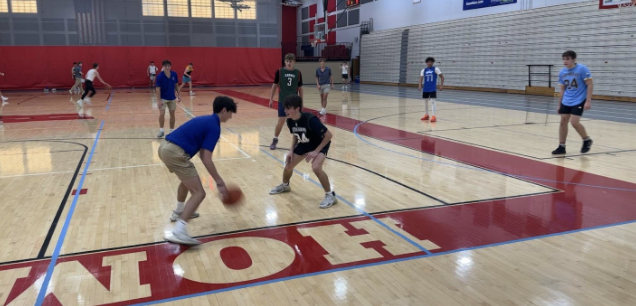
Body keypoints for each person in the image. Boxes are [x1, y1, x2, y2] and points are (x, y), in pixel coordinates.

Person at [158, 96, 237, 245]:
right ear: (224, 110)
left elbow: (202, 153)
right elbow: (206, 158)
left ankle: (179, 211)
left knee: (187, 182)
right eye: (230, 113)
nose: (231, 117)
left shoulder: (206, 120)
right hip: (175, 152)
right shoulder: (214, 126)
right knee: (199, 193)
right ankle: (179, 231)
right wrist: (220, 182)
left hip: (165, 148)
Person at [269, 94, 337, 209]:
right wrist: (291, 151)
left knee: (316, 167)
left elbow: (328, 135)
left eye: (288, 108)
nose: (285, 110)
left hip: (319, 144)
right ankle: (285, 186)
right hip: (304, 144)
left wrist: (316, 151)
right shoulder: (290, 121)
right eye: (285, 108)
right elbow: (296, 135)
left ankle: (330, 195)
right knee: (288, 166)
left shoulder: (310, 119)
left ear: (297, 108)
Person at [552, 50, 593, 155]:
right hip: (567, 100)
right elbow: (562, 89)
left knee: (574, 122)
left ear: (573, 59)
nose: (565, 61)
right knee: (563, 122)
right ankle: (561, 146)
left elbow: (590, 84)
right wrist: (559, 104)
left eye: (568, 59)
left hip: (579, 99)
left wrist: (588, 101)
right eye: (564, 59)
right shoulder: (562, 72)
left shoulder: (582, 69)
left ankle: (586, 140)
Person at [268, 53, 303, 150]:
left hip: (294, 101)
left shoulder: (298, 73)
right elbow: (274, 85)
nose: (289, 63)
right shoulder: (279, 71)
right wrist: (271, 99)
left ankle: (296, 143)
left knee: (295, 122)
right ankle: (275, 139)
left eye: (291, 61)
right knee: (281, 120)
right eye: (287, 61)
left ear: (294, 62)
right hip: (283, 101)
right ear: (284, 62)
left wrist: (301, 102)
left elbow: (300, 88)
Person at [155, 60, 181, 138]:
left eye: (168, 66)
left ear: (170, 66)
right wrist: (159, 101)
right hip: (163, 98)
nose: (167, 67)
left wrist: (179, 95)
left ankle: (171, 131)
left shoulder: (174, 74)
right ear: (163, 67)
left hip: (172, 98)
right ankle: (161, 130)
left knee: (172, 114)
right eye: (165, 66)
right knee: (162, 114)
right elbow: (157, 89)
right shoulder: (160, 76)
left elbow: (176, 85)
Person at [418, 57, 444, 122]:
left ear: (432, 63)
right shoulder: (423, 70)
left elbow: (442, 77)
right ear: (426, 63)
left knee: (433, 101)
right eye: (428, 62)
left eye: (431, 62)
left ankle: (433, 116)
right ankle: (426, 115)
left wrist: (441, 85)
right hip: (426, 88)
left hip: (432, 88)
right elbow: (421, 78)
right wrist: (420, 85)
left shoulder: (435, 69)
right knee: (426, 102)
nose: (429, 63)